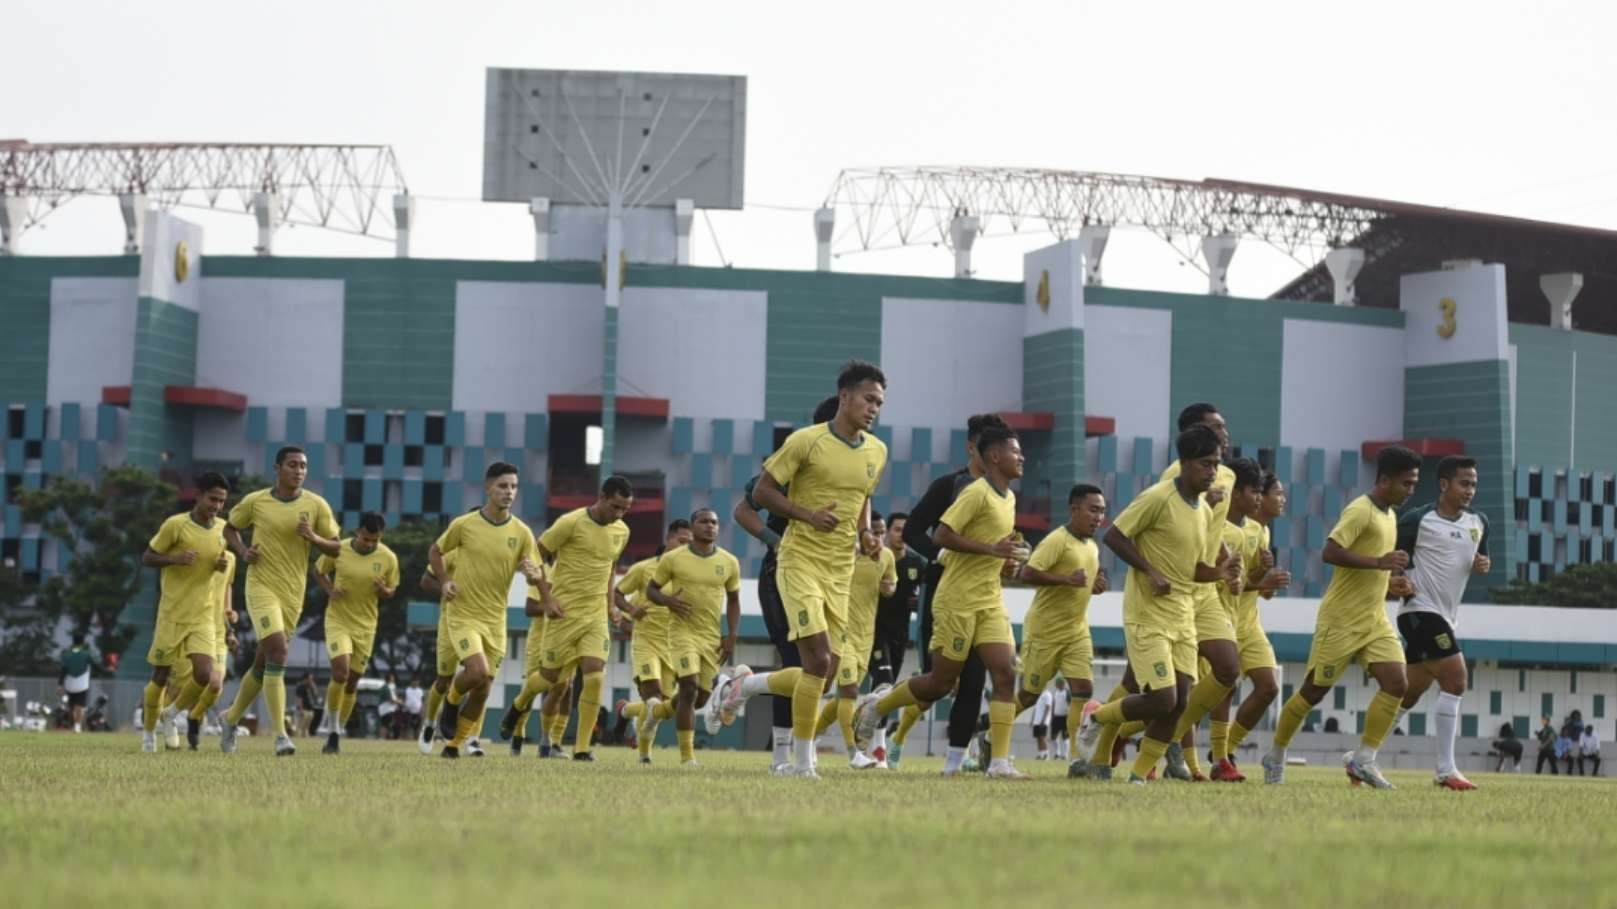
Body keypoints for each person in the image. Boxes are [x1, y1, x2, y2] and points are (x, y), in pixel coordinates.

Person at [711, 361, 888, 779]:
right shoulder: (804, 442)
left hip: (840, 569)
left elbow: (863, 498)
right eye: (868, 399)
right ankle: (802, 765)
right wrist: (806, 516)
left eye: (879, 402)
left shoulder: (876, 451)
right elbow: (760, 493)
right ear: (844, 397)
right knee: (819, 658)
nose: (874, 408)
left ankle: (744, 686)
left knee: (822, 674)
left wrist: (865, 534)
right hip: (798, 561)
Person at [851, 423, 1030, 779]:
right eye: (1015, 451)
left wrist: (1005, 560)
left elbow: (995, 548)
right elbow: (944, 535)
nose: (1021, 457)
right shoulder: (975, 493)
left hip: (990, 600)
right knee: (941, 683)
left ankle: (998, 763)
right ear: (994, 456)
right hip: (956, 600)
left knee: (1006, 672)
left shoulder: (1008, 497)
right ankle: (877, 706)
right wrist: (989, 549)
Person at [1070, 425, 1226, 784]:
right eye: (1205, 464)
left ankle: (1138, 777)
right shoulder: (1157, 498)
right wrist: (1150, 570)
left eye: (1216, 464)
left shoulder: (1203, 511)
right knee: (1161, 699)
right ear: (1184, 463)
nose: (1212, 472)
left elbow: (1194, 570)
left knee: (1180, 704)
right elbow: (1114, 536)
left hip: (1184, 616)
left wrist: (1220, 572)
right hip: (1147, 615)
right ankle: (1096, 717)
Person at [1259, 445, 1421, 788]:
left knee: (1398, 683)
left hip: (1374, 620)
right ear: (1385, 480)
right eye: (1406, 483)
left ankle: (1364, 759)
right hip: (1341, 621)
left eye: (1414, 484)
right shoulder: (1360, 510)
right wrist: (1380, 563)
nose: (1411, 491)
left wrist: (1392, 583)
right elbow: (1331, 551)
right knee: (1313, 692)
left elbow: (1372, 567)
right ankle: (1275, 754)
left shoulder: (1390, 516)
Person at [889, 413, 1008, 772]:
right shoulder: (949, 486)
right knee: (941, 683)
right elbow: (912, 531)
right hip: (945, 590)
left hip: (984, 595)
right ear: (974, 448)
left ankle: (956, 760)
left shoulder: (1004, 493)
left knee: (974, 681)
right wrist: (941, 556)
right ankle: (892, 729)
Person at [734, 396, 841, 773]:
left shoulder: (858, 464)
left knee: (826, 670)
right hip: (784, 570)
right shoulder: (794, 462)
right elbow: (743, 510)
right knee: (800, 661)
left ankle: (744, 685)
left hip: (830, 573)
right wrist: (775, 541)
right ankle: (786, 758)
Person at [499, 475, 634, 761]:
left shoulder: (621, 531)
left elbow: (609, 569)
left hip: (595, 617)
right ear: (602, 496)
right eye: (615, 507)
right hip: (564, 615)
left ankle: (582, 748)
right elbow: (535, 556)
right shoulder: (570, 523)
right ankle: (520, 702)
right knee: (549, 680)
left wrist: (611, 606)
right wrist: (547, 599)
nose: (619, 514)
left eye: (625, 509)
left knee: (595, 677)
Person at [220, 447, 342, 756]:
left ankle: (231, 719)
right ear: (277, 468)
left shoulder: (316, 505)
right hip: (261, 587)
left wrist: (314, 538)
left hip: (293, 595)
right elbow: (230, 527)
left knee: (265, 661)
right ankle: (281, 736)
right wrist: (243, 551)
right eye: (292, 465)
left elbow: (337, 549)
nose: (298, 470)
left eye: (303, 466)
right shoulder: (256, 501)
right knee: (279, 651)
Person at [1151, 404, 1243, 781]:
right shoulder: (1176, 475)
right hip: (1172, 589)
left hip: (1204, 588)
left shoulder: (1228, 475)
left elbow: (1212, 530)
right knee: (1152, 687)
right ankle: (1103, 729)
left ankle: (1169, 739)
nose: (1225, 432)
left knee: (1227, 668)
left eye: (1224, 425)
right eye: (1216, 427)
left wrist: (1225, 567)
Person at [430, 461, 544, 759]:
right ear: (488, 488)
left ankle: (454, 745)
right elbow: (436, 551)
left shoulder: (522, 532)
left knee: (483, 688)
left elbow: (534, 570)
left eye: (514, 487)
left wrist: (533, 575)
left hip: (496, 619)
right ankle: (452, 700)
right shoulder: (464, 525)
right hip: (463, 614)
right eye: (503, 486)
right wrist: (444, 581)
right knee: (476, 671)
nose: (509, 492)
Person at [1392, 455, 1491, 790]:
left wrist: (1482, 564)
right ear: (1444, 484)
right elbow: (1393, 560)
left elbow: (1480, 557)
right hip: (1418, 612)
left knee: (1406, 693)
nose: (1470, 490)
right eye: (1464, 483)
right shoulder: (1418, 520)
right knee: (1457, 680)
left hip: (1446, 616)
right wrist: (1397, 579)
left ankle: (1360, 756)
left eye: (1474, 484)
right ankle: (1445, 770)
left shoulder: (1480, 522)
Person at [1014, 484, 1107, 765]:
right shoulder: (1057, 540)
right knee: (1028, 697)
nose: (1098, 517)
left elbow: (1081, 583)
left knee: (1083, 690)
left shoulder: (1092, 547)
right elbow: (1026, 573)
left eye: (1102, 511)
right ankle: (991, 738)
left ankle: (1076, 759)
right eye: (1093, 510)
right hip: (1044, 632)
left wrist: (1094, 586)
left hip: (1076, 631)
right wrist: (1066, 580)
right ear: (1074, 510)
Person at [139, 472, 232, 754]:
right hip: (172, 614)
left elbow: (221, 569)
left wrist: (218, 567)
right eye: (213, 499)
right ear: (198, 495)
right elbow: (147, 557)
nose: (217, 506)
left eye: (222, 501)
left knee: (204, 674)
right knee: (160, 676)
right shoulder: (175, 525)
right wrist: (174, 559)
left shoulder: (224, 530)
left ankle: (172, 714)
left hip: (202, 615)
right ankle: (148, 733)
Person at [1210, 469, 1291, 781]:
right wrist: (1261, 582)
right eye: (1276, 493)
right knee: (1219, 688)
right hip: (1221, 617)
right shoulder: (1223, 529)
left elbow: (1253, 585)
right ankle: (1215, 757)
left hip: (1249, 622)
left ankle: (1226, 750)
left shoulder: (1262, 533)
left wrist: (1267, 583)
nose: (1281, 499)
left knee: (1268, 686)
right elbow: (1232, 582)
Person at [646, 508, 742, 765]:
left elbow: (734, 601)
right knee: (687, 685)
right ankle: (687, 757)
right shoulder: (673, 559)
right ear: (693, 525)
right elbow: (651, 590)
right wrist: (667, 601)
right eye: (704, 522)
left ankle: (656, 711)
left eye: (714, 522)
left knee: (698, 699)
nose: (710, 526)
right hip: (682, 632)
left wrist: (732, 634)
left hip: (710, 637)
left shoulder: (729, 562)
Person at [807, 511, 895, 768]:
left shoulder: (887, 557)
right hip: (838, 629)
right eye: (872, 531)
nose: (876, 537)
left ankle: (808, 739)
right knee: (849, 691)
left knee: (842, 699)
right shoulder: (844, 552)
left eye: (881, 532)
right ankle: (854, 753)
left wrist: (887, 587)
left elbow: (890, 588)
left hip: (866, 636)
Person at [312, 511, 400, 754]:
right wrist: (329, 589)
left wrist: (384, 590)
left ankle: (338, 730)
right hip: (338, 619)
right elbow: (319, 571)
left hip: (366, 626)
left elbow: (392, 590)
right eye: (366, 539)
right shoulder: (337, 549)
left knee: (352, 682)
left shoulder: (388, 557)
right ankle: (330, 730)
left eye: (375, 540)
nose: (370, 544)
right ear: (357, 532)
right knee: (340, 672)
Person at [616, 519, 694, 763]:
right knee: (652, 696)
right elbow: (617, 594)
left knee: (664, 708)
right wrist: (631, 610)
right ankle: (644, 756)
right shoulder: (644, 569)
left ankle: (626, 710)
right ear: (668, 540)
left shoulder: (689, 574)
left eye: (689, 544)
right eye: (681, 542)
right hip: (646, 641)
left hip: (673, 645)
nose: (685, 548)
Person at [871, 511, 927, 689]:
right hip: (873, 630)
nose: (902, 535)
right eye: (897, 530)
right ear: (886, 532)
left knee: (887, 687)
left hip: (900, 634)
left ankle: (866, 717)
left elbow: (930, 597)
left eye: (905, 530)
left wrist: (921, 602)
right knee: (884, 679)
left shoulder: (917, 563)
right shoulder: (875, 559)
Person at [58, 632, 94, 733]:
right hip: (82, 684)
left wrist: (60, 684)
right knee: (80, 706)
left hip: (69, 684)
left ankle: (73, 724)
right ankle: (77, 726)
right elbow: (96, 666)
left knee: (71, 706)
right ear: (83, 642)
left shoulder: (66, 654)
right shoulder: (86, 654)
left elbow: (63, 670)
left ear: (73, 641)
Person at [1050, 677, 1071, 760]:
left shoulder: (1067, 693)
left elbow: (1070, 705)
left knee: (1065, 737)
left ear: (1061, 684)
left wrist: (1069, 716)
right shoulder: (1056, 692)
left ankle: (1065, 755)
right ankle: (1057, 753)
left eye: (1057, 683)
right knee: (1053, 736)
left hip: (1065, 717)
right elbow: (1054, 704)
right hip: (1056, 717)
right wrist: (1052, 715)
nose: (1056, 685)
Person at [1031, 686, 1054, 760]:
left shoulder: (1048, 694)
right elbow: (1035, 709)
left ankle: (1046, 755)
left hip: (1043, 721)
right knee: (1038, 738)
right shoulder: (1039, 696)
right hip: (1036, 721)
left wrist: (1043, 720)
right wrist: (1032, 720)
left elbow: (1048, 707)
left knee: (1042, 737)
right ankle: (1040, 755)